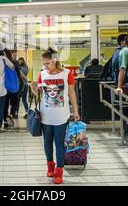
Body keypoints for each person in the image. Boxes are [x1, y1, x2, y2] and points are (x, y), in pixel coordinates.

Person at [31, 47, 80, 185]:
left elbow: (71, 94)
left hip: (61, 116)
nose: (45, 66)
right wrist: (33, 87)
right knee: (47, 143)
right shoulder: (43, 74)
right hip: (45, 116)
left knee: (59, 144)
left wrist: (75, 111)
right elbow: (38, 94)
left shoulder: (67, 73)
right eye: (44, 63)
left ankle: (59, 170)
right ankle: (50, 165)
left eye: (48, 63)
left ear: (55, 61)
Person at [3, 48, 23, 127]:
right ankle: (11, 115)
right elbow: (18, 74)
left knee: (5, 104)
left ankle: (5, 121)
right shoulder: (15, 62)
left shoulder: (2, 63)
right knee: (15, 102)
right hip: (14, 86)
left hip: (5, 87)